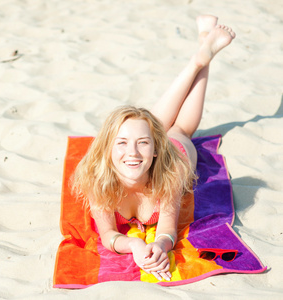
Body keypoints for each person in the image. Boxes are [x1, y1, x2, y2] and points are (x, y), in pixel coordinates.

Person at [72, 15, 236, 281]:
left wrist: (160, 245)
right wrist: (136, 245)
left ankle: (202, 55)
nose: (132, 152)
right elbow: (109, 235)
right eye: (121, 144)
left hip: (176, 153)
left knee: (178, 131)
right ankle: (203, 50)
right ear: (107, 150)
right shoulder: (97, 181)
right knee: (161, 125)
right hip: (153, 149)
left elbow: (167, 229)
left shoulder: (169, 174)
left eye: (143, 144)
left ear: (156, 149)